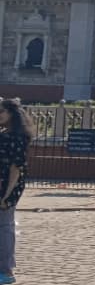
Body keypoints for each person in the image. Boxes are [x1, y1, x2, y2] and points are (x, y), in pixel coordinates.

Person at [0, 99, 32, 285]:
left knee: (5, 228)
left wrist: (6, 195)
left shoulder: (16, 137)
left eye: (1, 111)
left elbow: (16, 168)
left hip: (6, 186)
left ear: (12, 113)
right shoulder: (6, 134)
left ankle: (5, 271)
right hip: (6, 185)